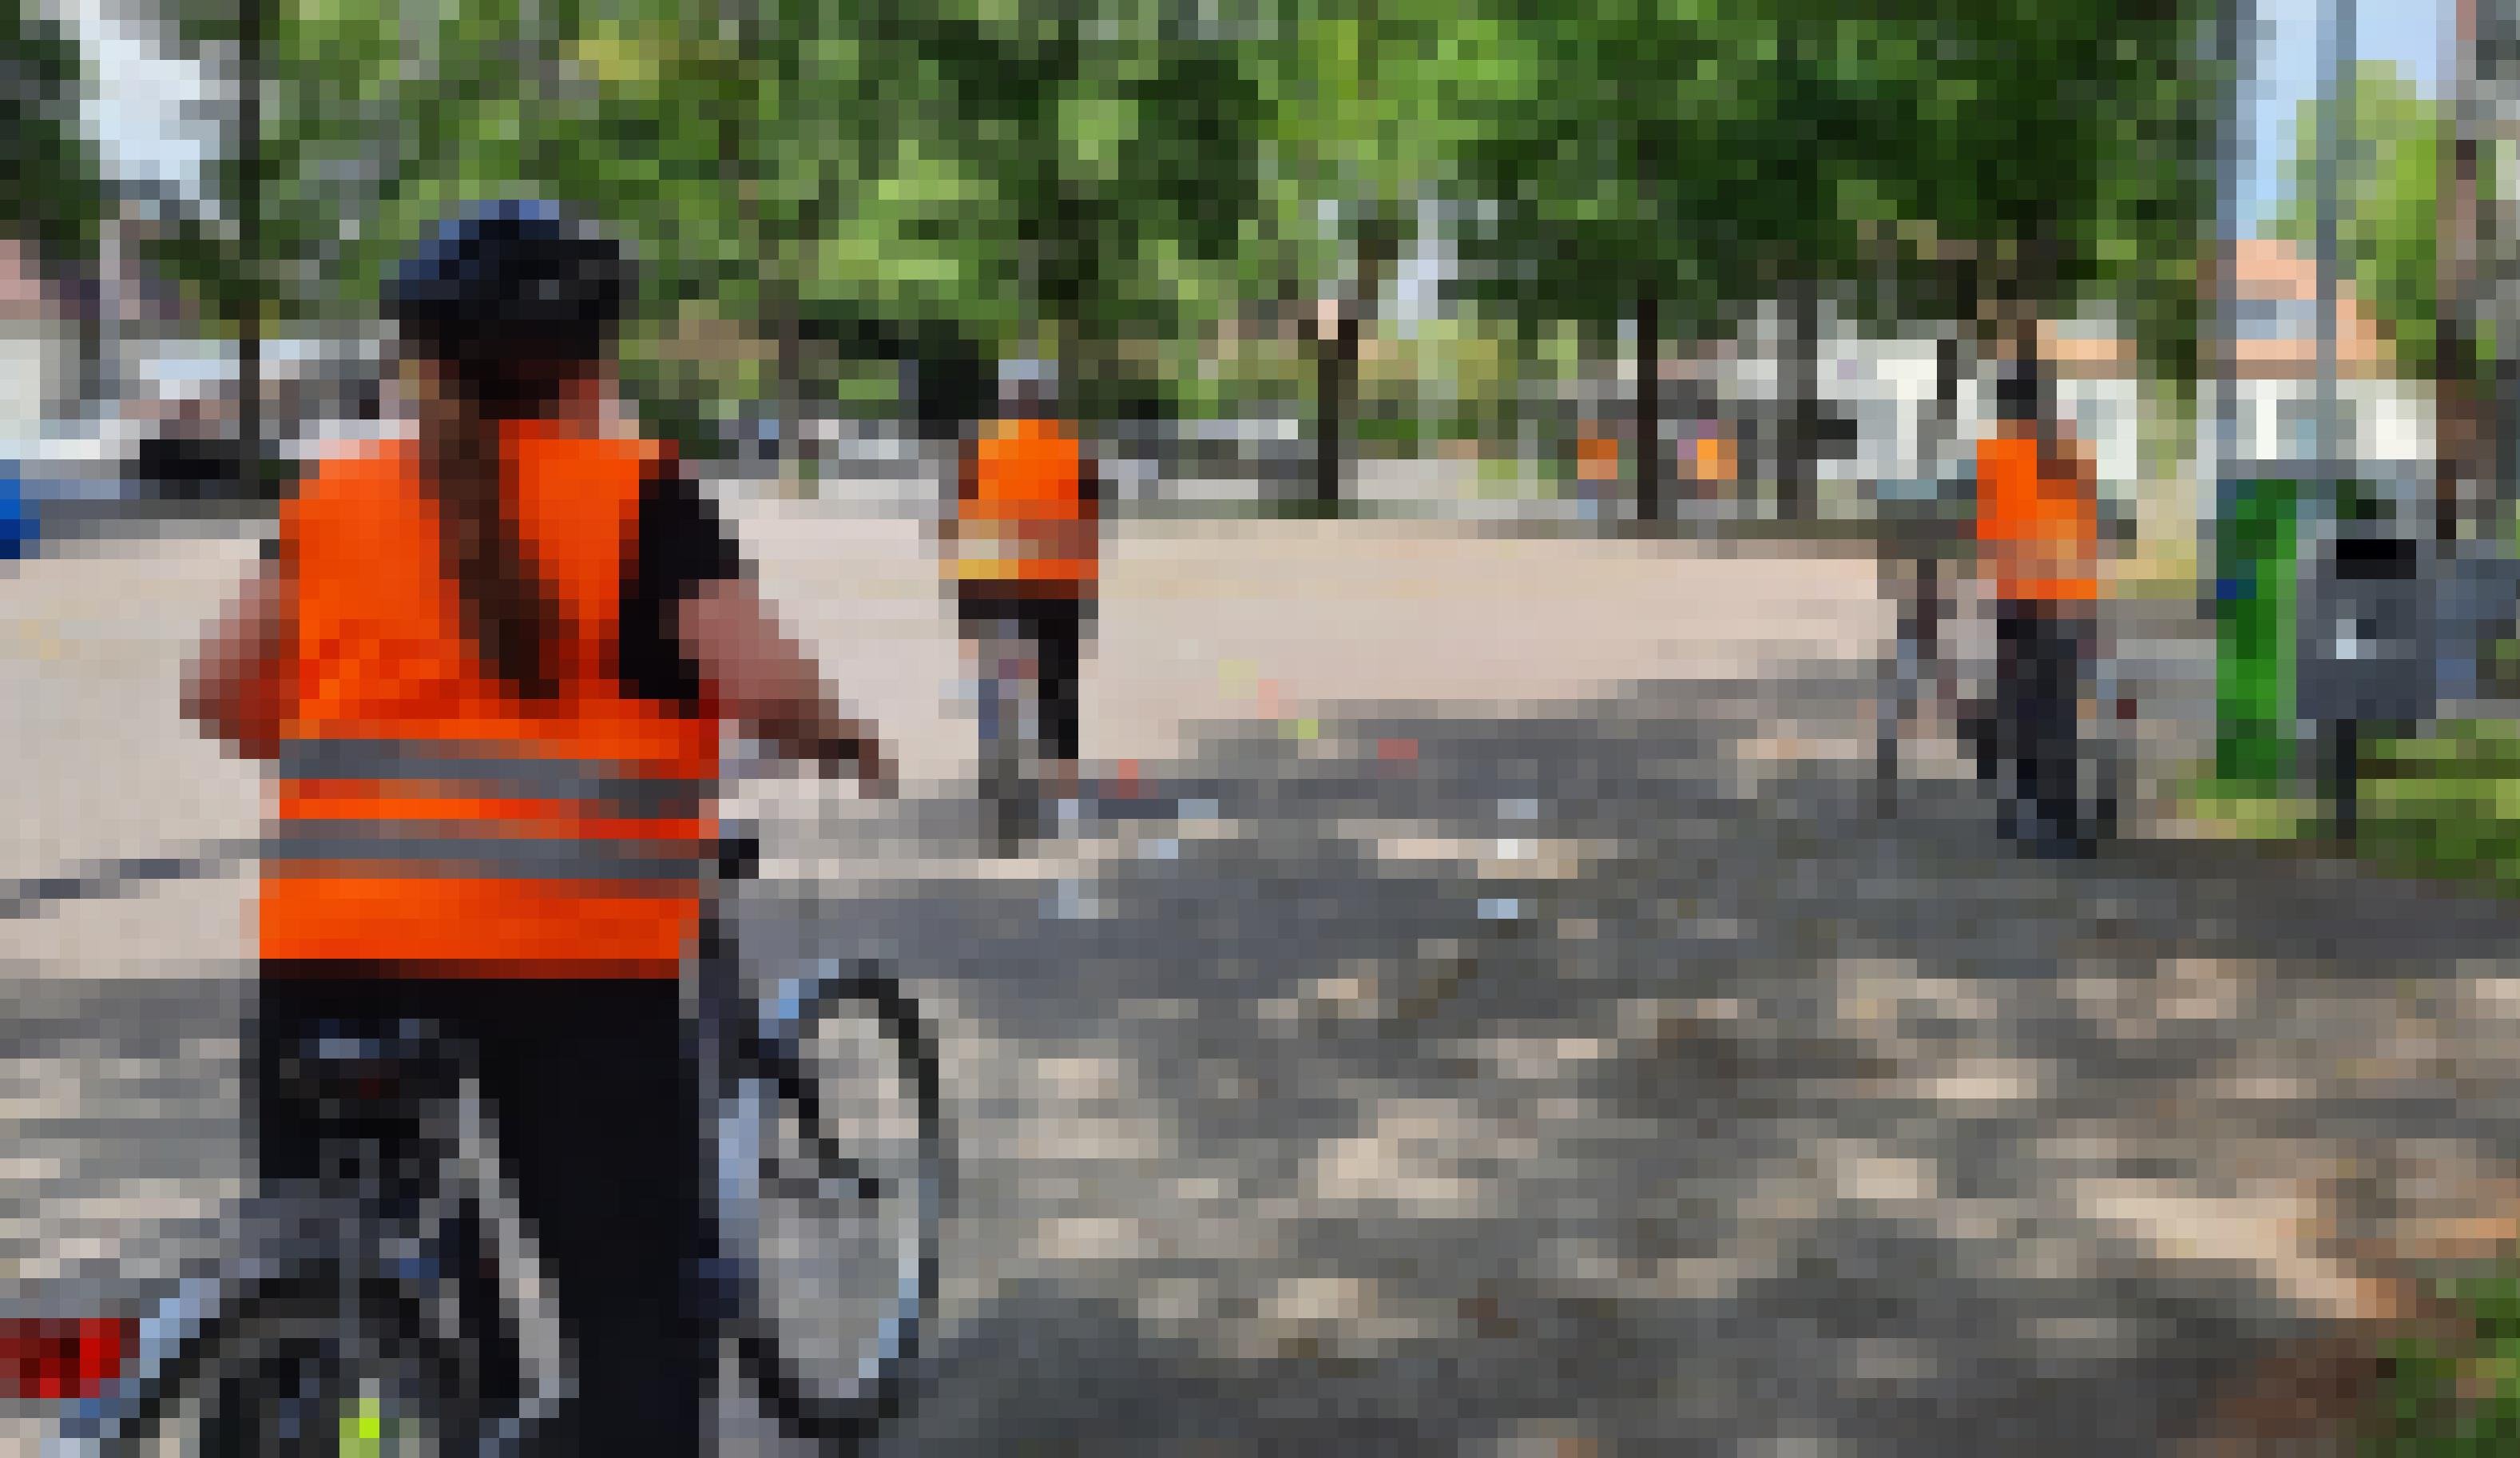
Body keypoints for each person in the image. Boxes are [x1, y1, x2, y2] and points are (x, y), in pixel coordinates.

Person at [179, 198, 893, 1455]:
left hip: (325, 960)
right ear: (591, 357)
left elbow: (221, 696)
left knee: (335, 1266)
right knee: (629, 1311)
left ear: (425, 355)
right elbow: (763, 683)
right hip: (569, 973)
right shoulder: (635, 494)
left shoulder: (333, 498)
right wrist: (838, 734)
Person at [943, 356, 1102, 826]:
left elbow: (953, 519)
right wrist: (1085, 584)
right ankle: (1063, 787)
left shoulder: (977, 449)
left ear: (1007, 402)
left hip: (988, 580)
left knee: (992, 680)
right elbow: (1089, 522)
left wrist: (959, 589)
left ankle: (994, 768)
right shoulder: (1074, 450)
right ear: (1048, 402)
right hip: (1055, 584)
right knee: (1057, 684)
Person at [1973, 359, 2102, 858]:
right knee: (2060, 714)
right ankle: (2062, 817)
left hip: (2021, 600)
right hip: (2071, 598)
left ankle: (2027, 810)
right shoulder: (2075, 454)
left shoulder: (1996, 457)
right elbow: (2089, 527)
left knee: (2023, 711)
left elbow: (1989, 530)